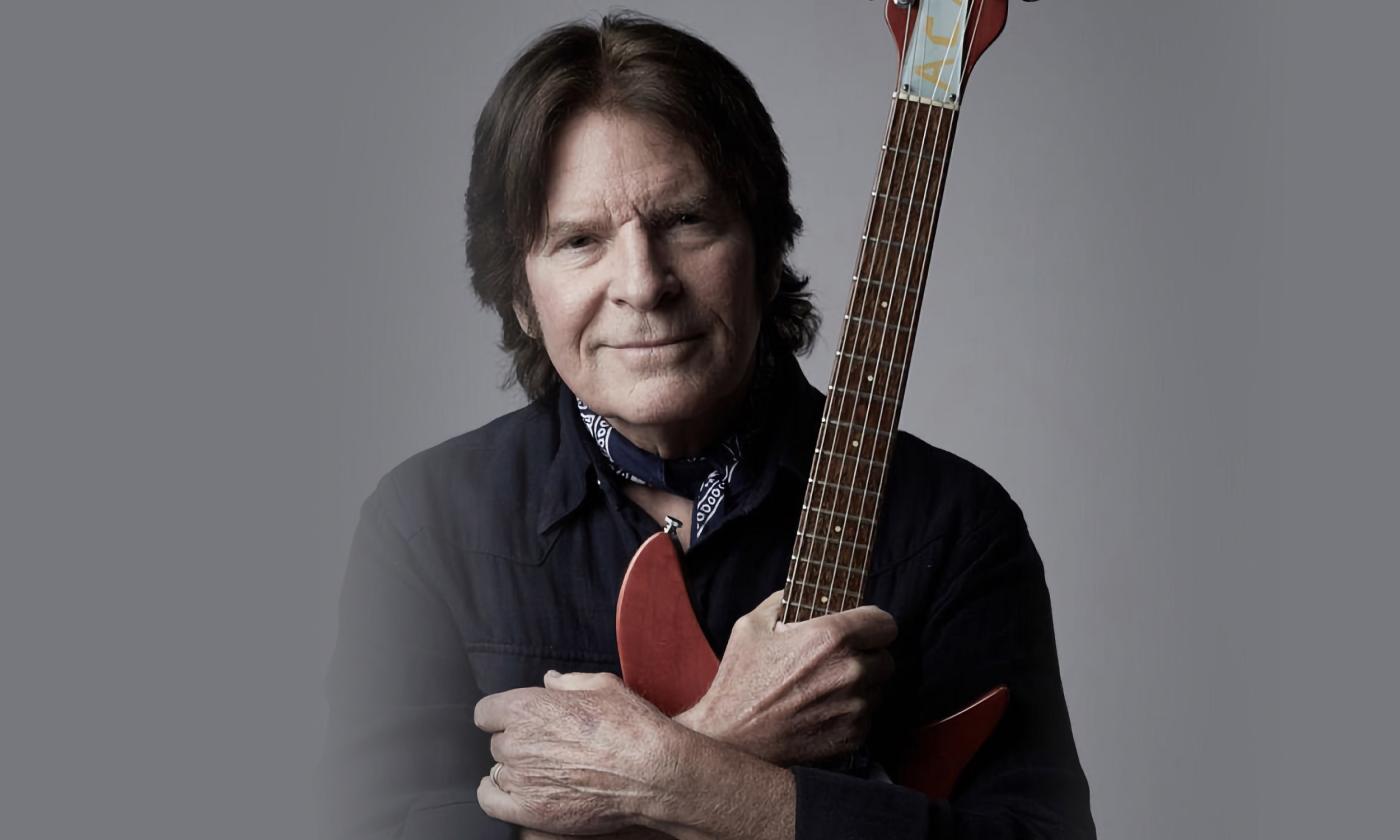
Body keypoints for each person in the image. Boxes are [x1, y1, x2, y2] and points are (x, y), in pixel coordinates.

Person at [321, 12, 1095, 840]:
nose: (643, 285)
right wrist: (728, 738)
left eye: (686, 220)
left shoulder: (955, 529)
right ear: (520, 292)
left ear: (765, 252)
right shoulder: (425, 525)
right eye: (580, 240)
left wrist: (702, 784)